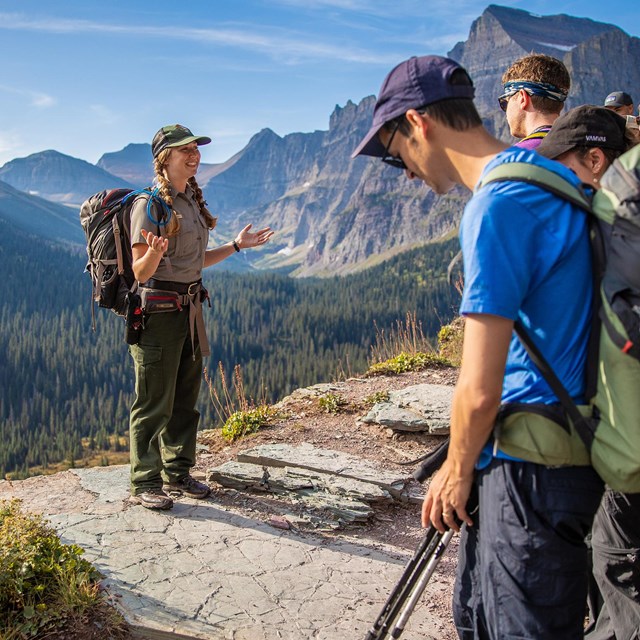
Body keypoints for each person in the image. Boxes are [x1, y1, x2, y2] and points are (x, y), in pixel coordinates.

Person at [352, 55, 604, 638]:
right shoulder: (547, 176)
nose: (406, 173)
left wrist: (456, 471)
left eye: (395, 153)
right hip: (564, 448)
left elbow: (480, 383)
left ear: (419, 123)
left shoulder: (498, 203)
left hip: (529, 471)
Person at [128, 124, 273, 510]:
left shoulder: (189, 199)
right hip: (158, 314)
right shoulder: (150, 205)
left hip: (189, 309)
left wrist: (236, 246)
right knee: (154, 400)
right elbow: (140, 272)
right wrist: (155, 253)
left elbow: (196, 263)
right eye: (184, 151)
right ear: (164, 158)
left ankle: (177, 472)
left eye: (195, 149)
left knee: (185, 397)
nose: (193, 156)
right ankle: (145, 481)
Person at [537, 106, 640, 640]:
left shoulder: (620, 218)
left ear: (596, 159)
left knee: (619, 565)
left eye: (567, 168)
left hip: (630, 443)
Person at [499, 53, 570, 149]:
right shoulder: (585, 152)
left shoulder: (514, 158)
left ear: (522, 98)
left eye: (505, 103)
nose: (506, 112)